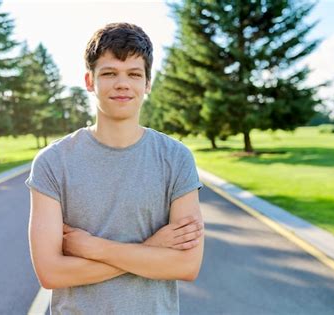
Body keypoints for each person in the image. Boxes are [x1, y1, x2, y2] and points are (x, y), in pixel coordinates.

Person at [25, 22, 205, 315]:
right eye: (109, 73)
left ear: (147, 83)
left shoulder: (176, 158)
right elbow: (51, 273)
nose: (122, 83)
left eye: (134, 74)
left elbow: (186, 265)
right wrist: (152, 248)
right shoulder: (52, 163)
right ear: (89, 80)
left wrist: (92, 247)